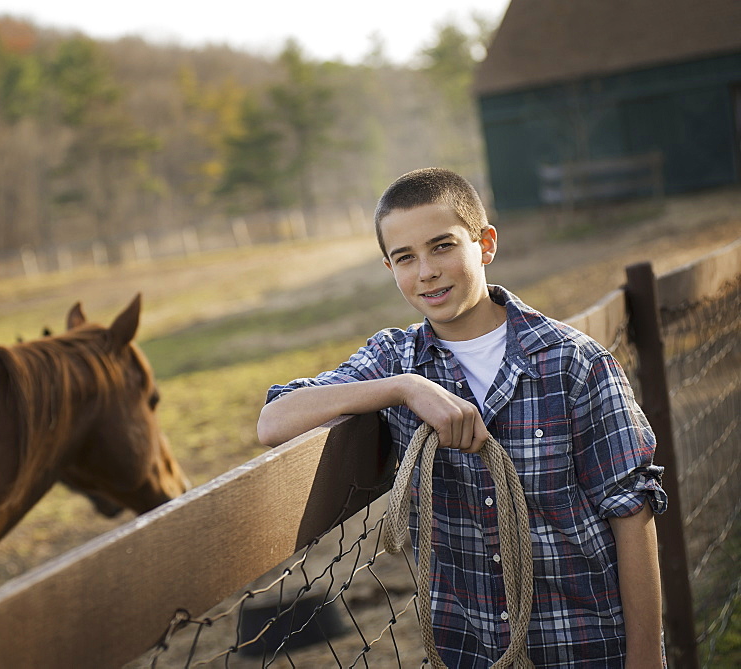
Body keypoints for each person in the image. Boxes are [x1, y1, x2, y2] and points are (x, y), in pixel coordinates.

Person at [257, 167, 667, 668]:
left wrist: (646, 658)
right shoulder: (396, 360)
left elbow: (631, 511)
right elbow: (273, 421)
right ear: (389, 267)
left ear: (485, 243)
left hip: (581, 643)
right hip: (469, 651)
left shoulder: (574, 363)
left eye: (443, 246)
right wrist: (403, 388)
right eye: (405, 257)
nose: (426, 271)